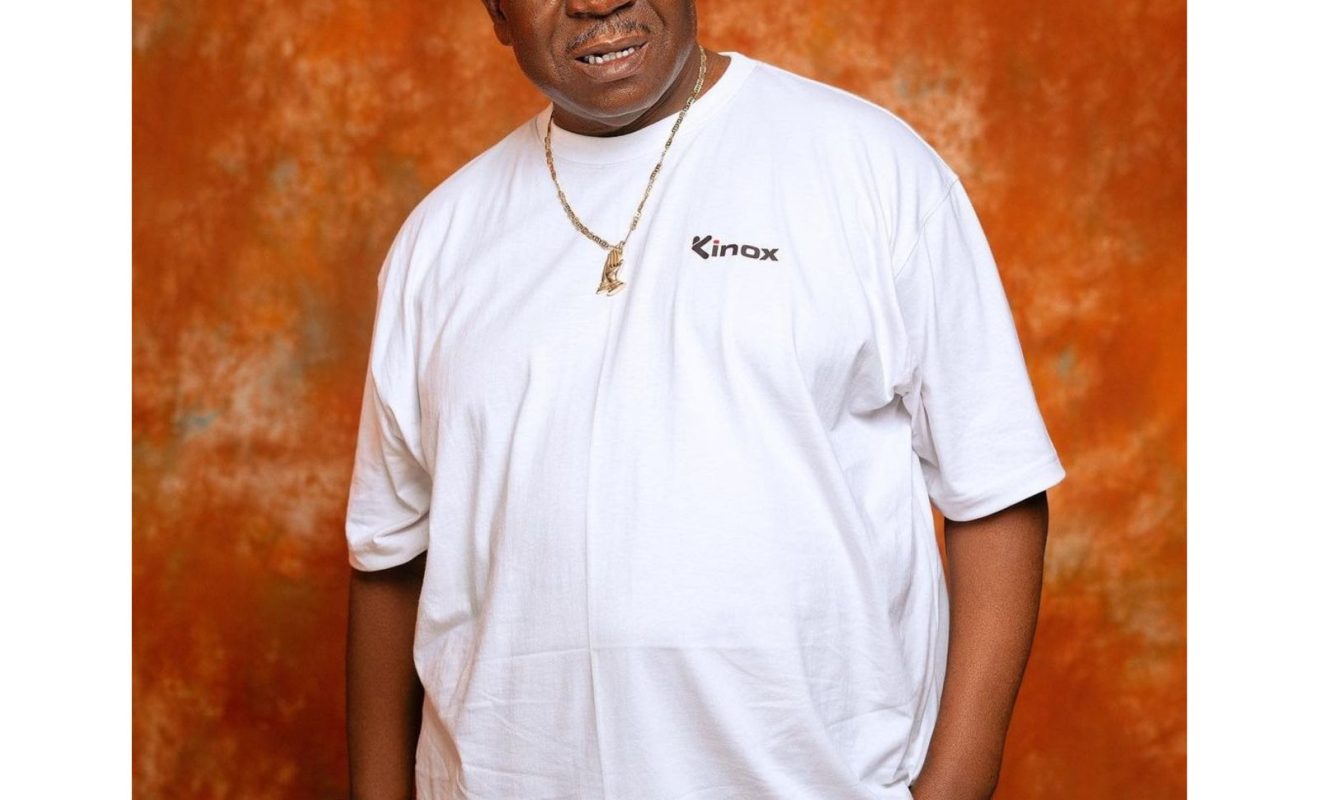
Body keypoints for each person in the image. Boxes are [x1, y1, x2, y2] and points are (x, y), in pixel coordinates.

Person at [344, 1, 1065, 798]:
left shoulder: (868, 166)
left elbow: (995, 487)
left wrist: (957, 784)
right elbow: (388, 557)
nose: (597, 1)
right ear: (498, 14)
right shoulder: (438, 242)